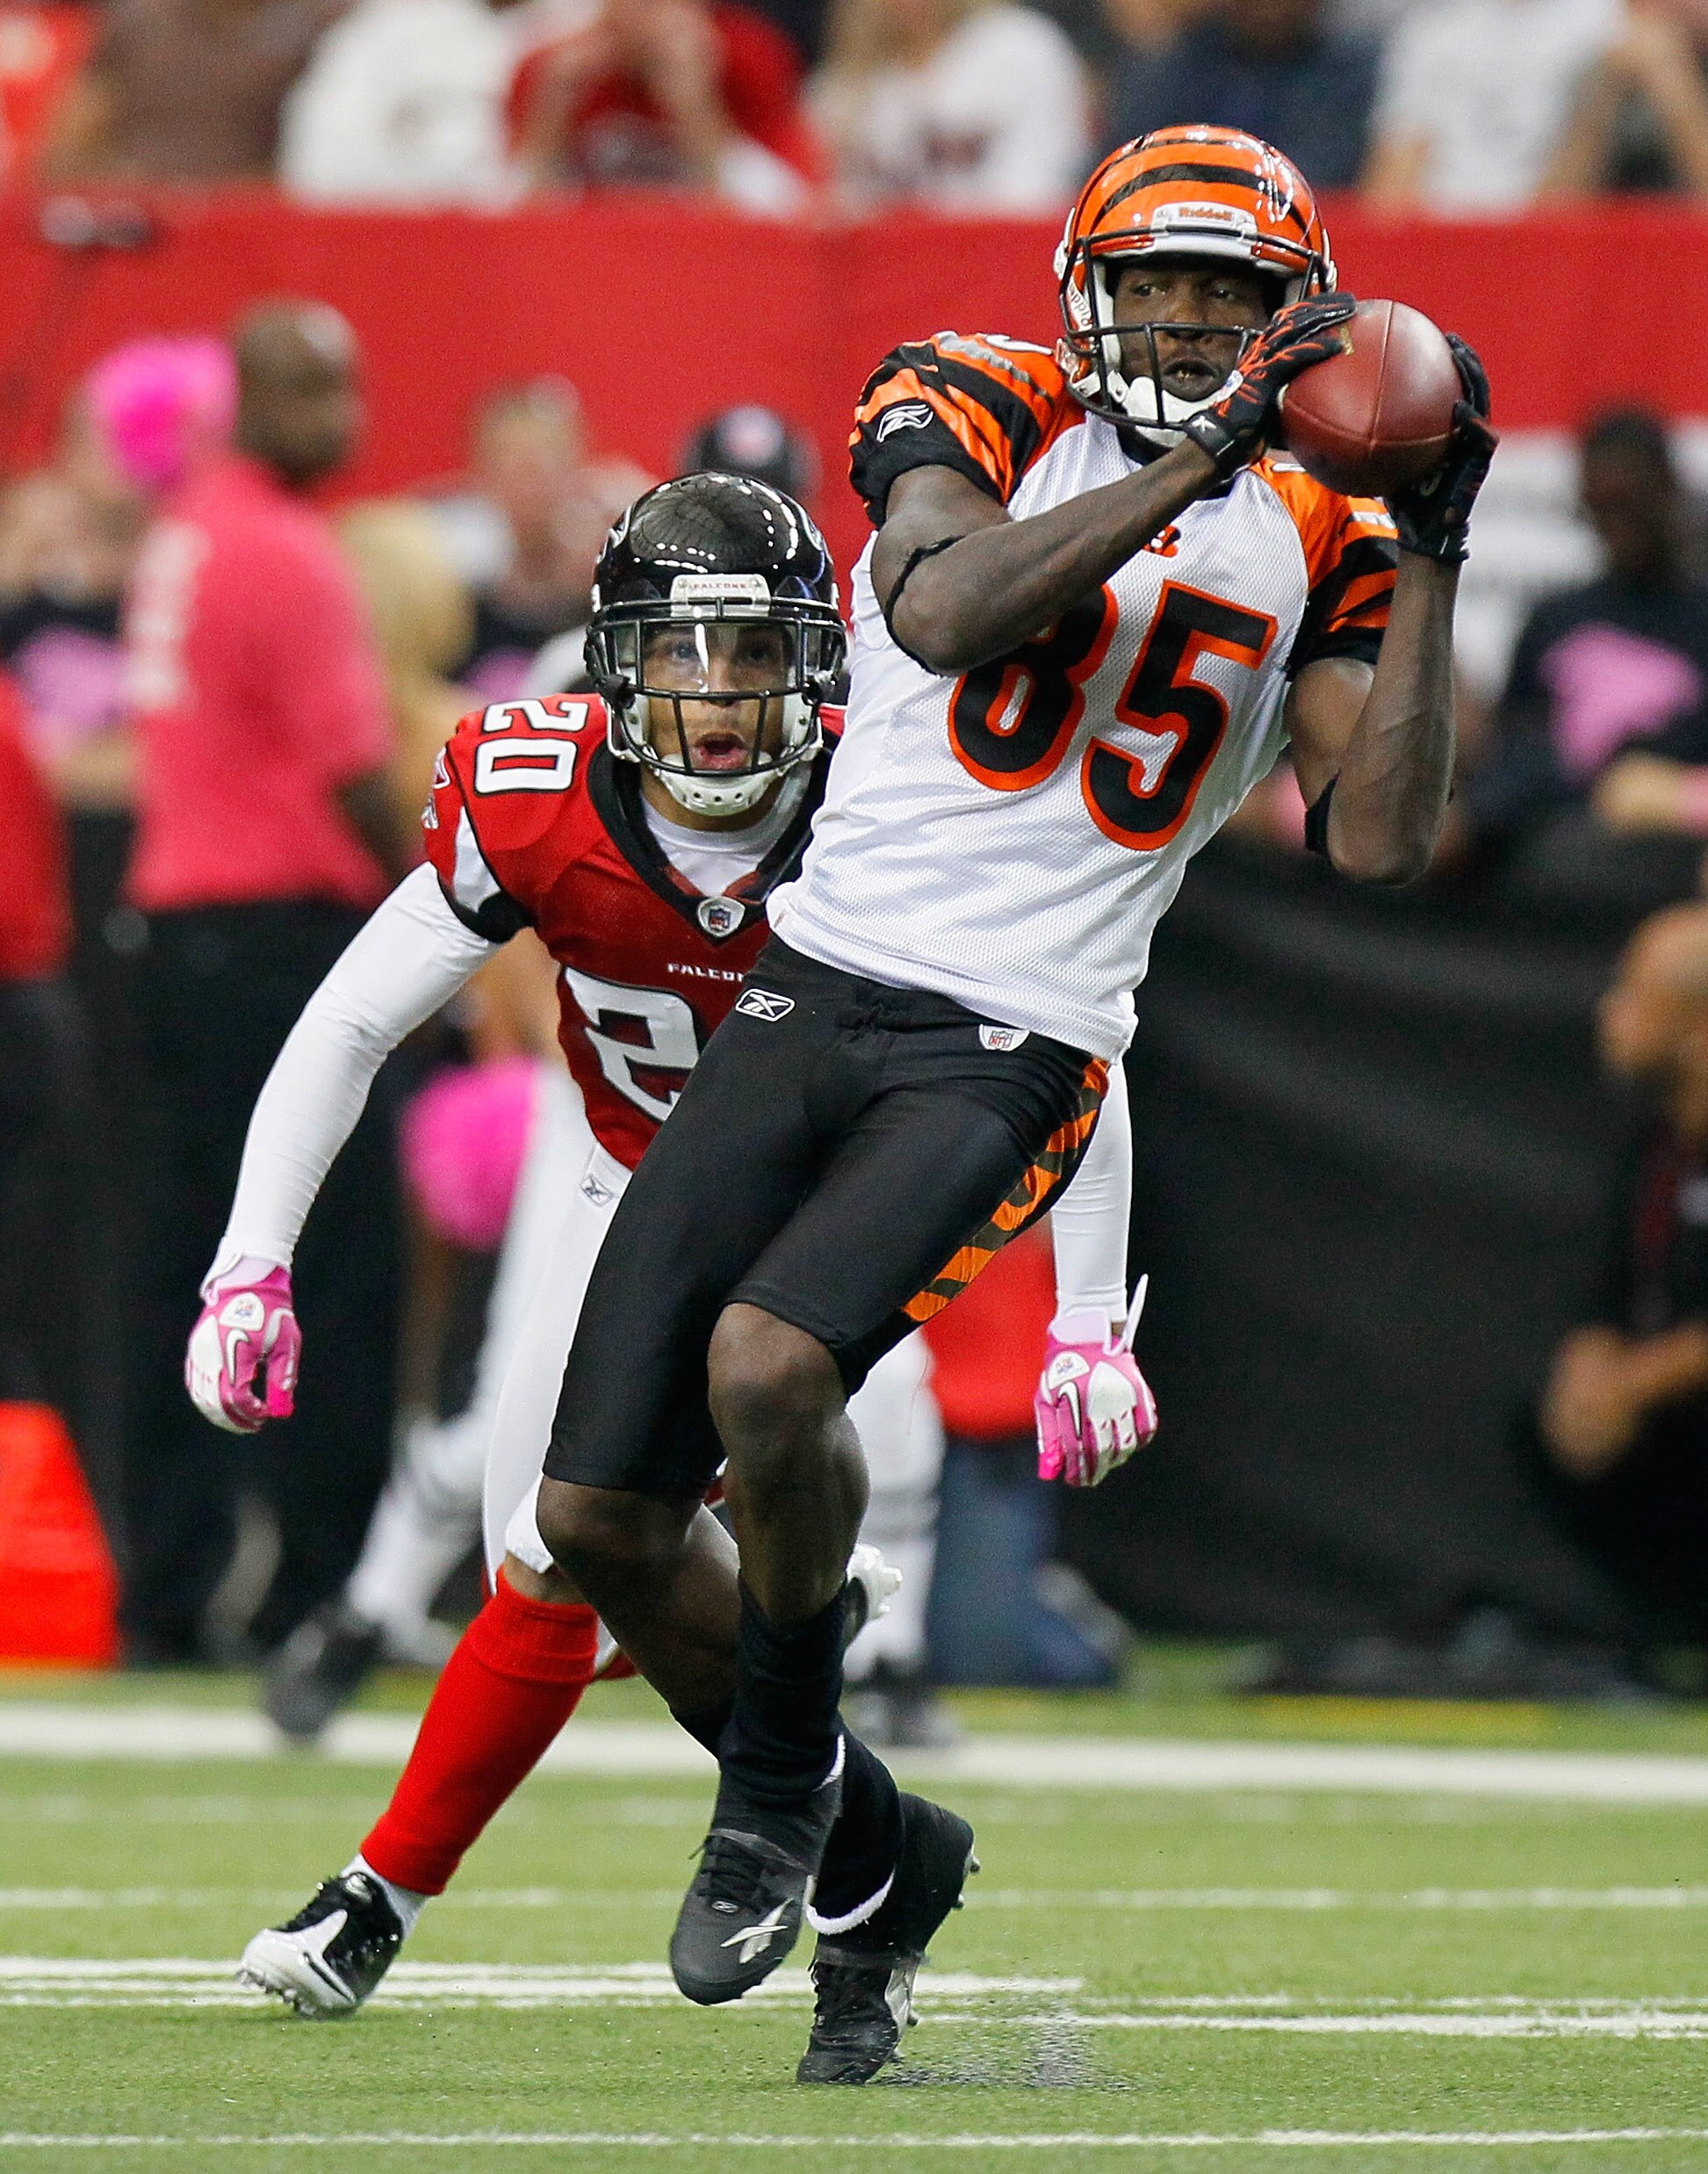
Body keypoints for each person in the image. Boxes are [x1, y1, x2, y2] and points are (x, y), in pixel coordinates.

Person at [529, 123, 1489, 2084]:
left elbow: (1379, 842)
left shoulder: (1331, 531)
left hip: (1019, 1035)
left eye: (1231, 299)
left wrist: (1440, 539)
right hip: (815, 983)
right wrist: (1203, 454)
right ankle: (889, 1855)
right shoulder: (972, 387)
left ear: (1290, 313)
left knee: (773, 1372)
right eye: (1159, 289)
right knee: (594, 1521)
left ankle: (778, 1787)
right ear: (1088, 288)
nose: (1189, 325)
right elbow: (953, 609)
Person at [198, 475, 1135, 2056]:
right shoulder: (535, 784)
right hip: (623, 1175)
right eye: (683, 660)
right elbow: (353, 1019)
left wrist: (1092, 1316)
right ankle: (862, 1825)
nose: (716, 702)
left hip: (840, 1206)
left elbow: (1067, 1036)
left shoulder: (893, 800)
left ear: (822, 670)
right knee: (564, 1541)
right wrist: (250, 1259)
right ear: (613, 664)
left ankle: (386, 1894)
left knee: (642, 1512)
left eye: (756, 658)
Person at [120, 301, 411, 1665]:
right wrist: (453, 903)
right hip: (284, 944)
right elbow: (355, 775)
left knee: (180, 1261)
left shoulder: (184, 533)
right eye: (315, 393)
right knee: (332, 1269)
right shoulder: (286, 552)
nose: (343, 422)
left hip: (174, 933)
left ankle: (168, 1586)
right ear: (249, 396)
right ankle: (311, 1587)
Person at [1523, 905, 1708, 1646]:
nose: (1608, 1011)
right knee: (1551, 1419)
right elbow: (1609, 1294)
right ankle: (1665, 1633)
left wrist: (1643, 1378)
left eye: (1632, 994)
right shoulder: (1656, 1153)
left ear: (1697, 1032)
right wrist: (1592, 1361)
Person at [1465, 410, 1708, 857]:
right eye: (1603, 506)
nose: (1617, 524)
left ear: (1668, 492)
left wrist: (1672, 795)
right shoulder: (1557, 619)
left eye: (1631, 503)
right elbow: (1514, 741)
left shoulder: (1699, 619)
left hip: (1669, 854)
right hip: (1550, 854)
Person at [508, 0, 820, 212]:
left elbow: (796, 212)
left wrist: (698, 113)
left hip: (712, 267)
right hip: (592, 266)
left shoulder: (747, 59)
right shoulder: (553, 69)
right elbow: (496, 219)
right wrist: (548, 128)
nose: (649, 13)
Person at [811, 0, 1090, 212]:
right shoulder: (839, 91)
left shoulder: (1023, 50)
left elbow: (1040, 201)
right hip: (892, 277)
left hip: (1005, 269)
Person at [39, 0, 349, 183]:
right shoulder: (140, 22)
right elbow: (64, 154)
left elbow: (325, 165)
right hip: (136, 222)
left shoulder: (317, 30)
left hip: (252, 233)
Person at [1362, 0, 1618, 212]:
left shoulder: (1607, 26)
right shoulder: (1432, 32)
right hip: (1437, 241)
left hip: (1549, 239)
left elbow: (1569, 199)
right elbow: (1389, 193)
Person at [1105, 0, 1380, 189]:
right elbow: (1121, 171)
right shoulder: (1173, 67)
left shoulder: (1350, 72)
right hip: (1174, 232)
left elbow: (1321, 178)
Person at [278, 0, 522, 205]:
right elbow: (314, 167)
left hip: (463, 225)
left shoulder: (485, 39)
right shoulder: (351, 43)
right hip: (350, 221)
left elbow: (491, 171)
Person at [1540, 0, 1708, 199]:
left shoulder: (1671, 74)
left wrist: (1672, 82)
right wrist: (1608, 89)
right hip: (1613, 225)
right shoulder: (1604, 70)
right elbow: (1549, 208)